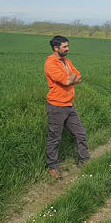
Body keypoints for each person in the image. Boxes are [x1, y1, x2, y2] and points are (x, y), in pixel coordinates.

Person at [43, 35, 90, 179]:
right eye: (64, 47)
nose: (67, 49)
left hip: (69, 105)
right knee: (54, 138)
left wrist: (71, 79)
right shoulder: (51, 63)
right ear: (56, 48)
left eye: (67, 46)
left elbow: (78, 76)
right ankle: (53, 167)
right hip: (56, 106)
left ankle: (84, 160)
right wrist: (70, 79)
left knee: (80, 133)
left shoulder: (67, 61)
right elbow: (66, 80)